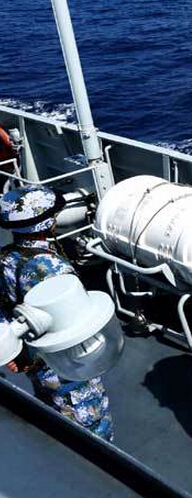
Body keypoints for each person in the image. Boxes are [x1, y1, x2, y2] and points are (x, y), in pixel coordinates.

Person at [0, 185, 114, 441]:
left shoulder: (6, 258)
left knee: (54, 410)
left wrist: (17, 351)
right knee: (91, 428)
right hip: (67, 364)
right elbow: (74, 326)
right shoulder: (53, 268)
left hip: (36, 361)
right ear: (47, 223)